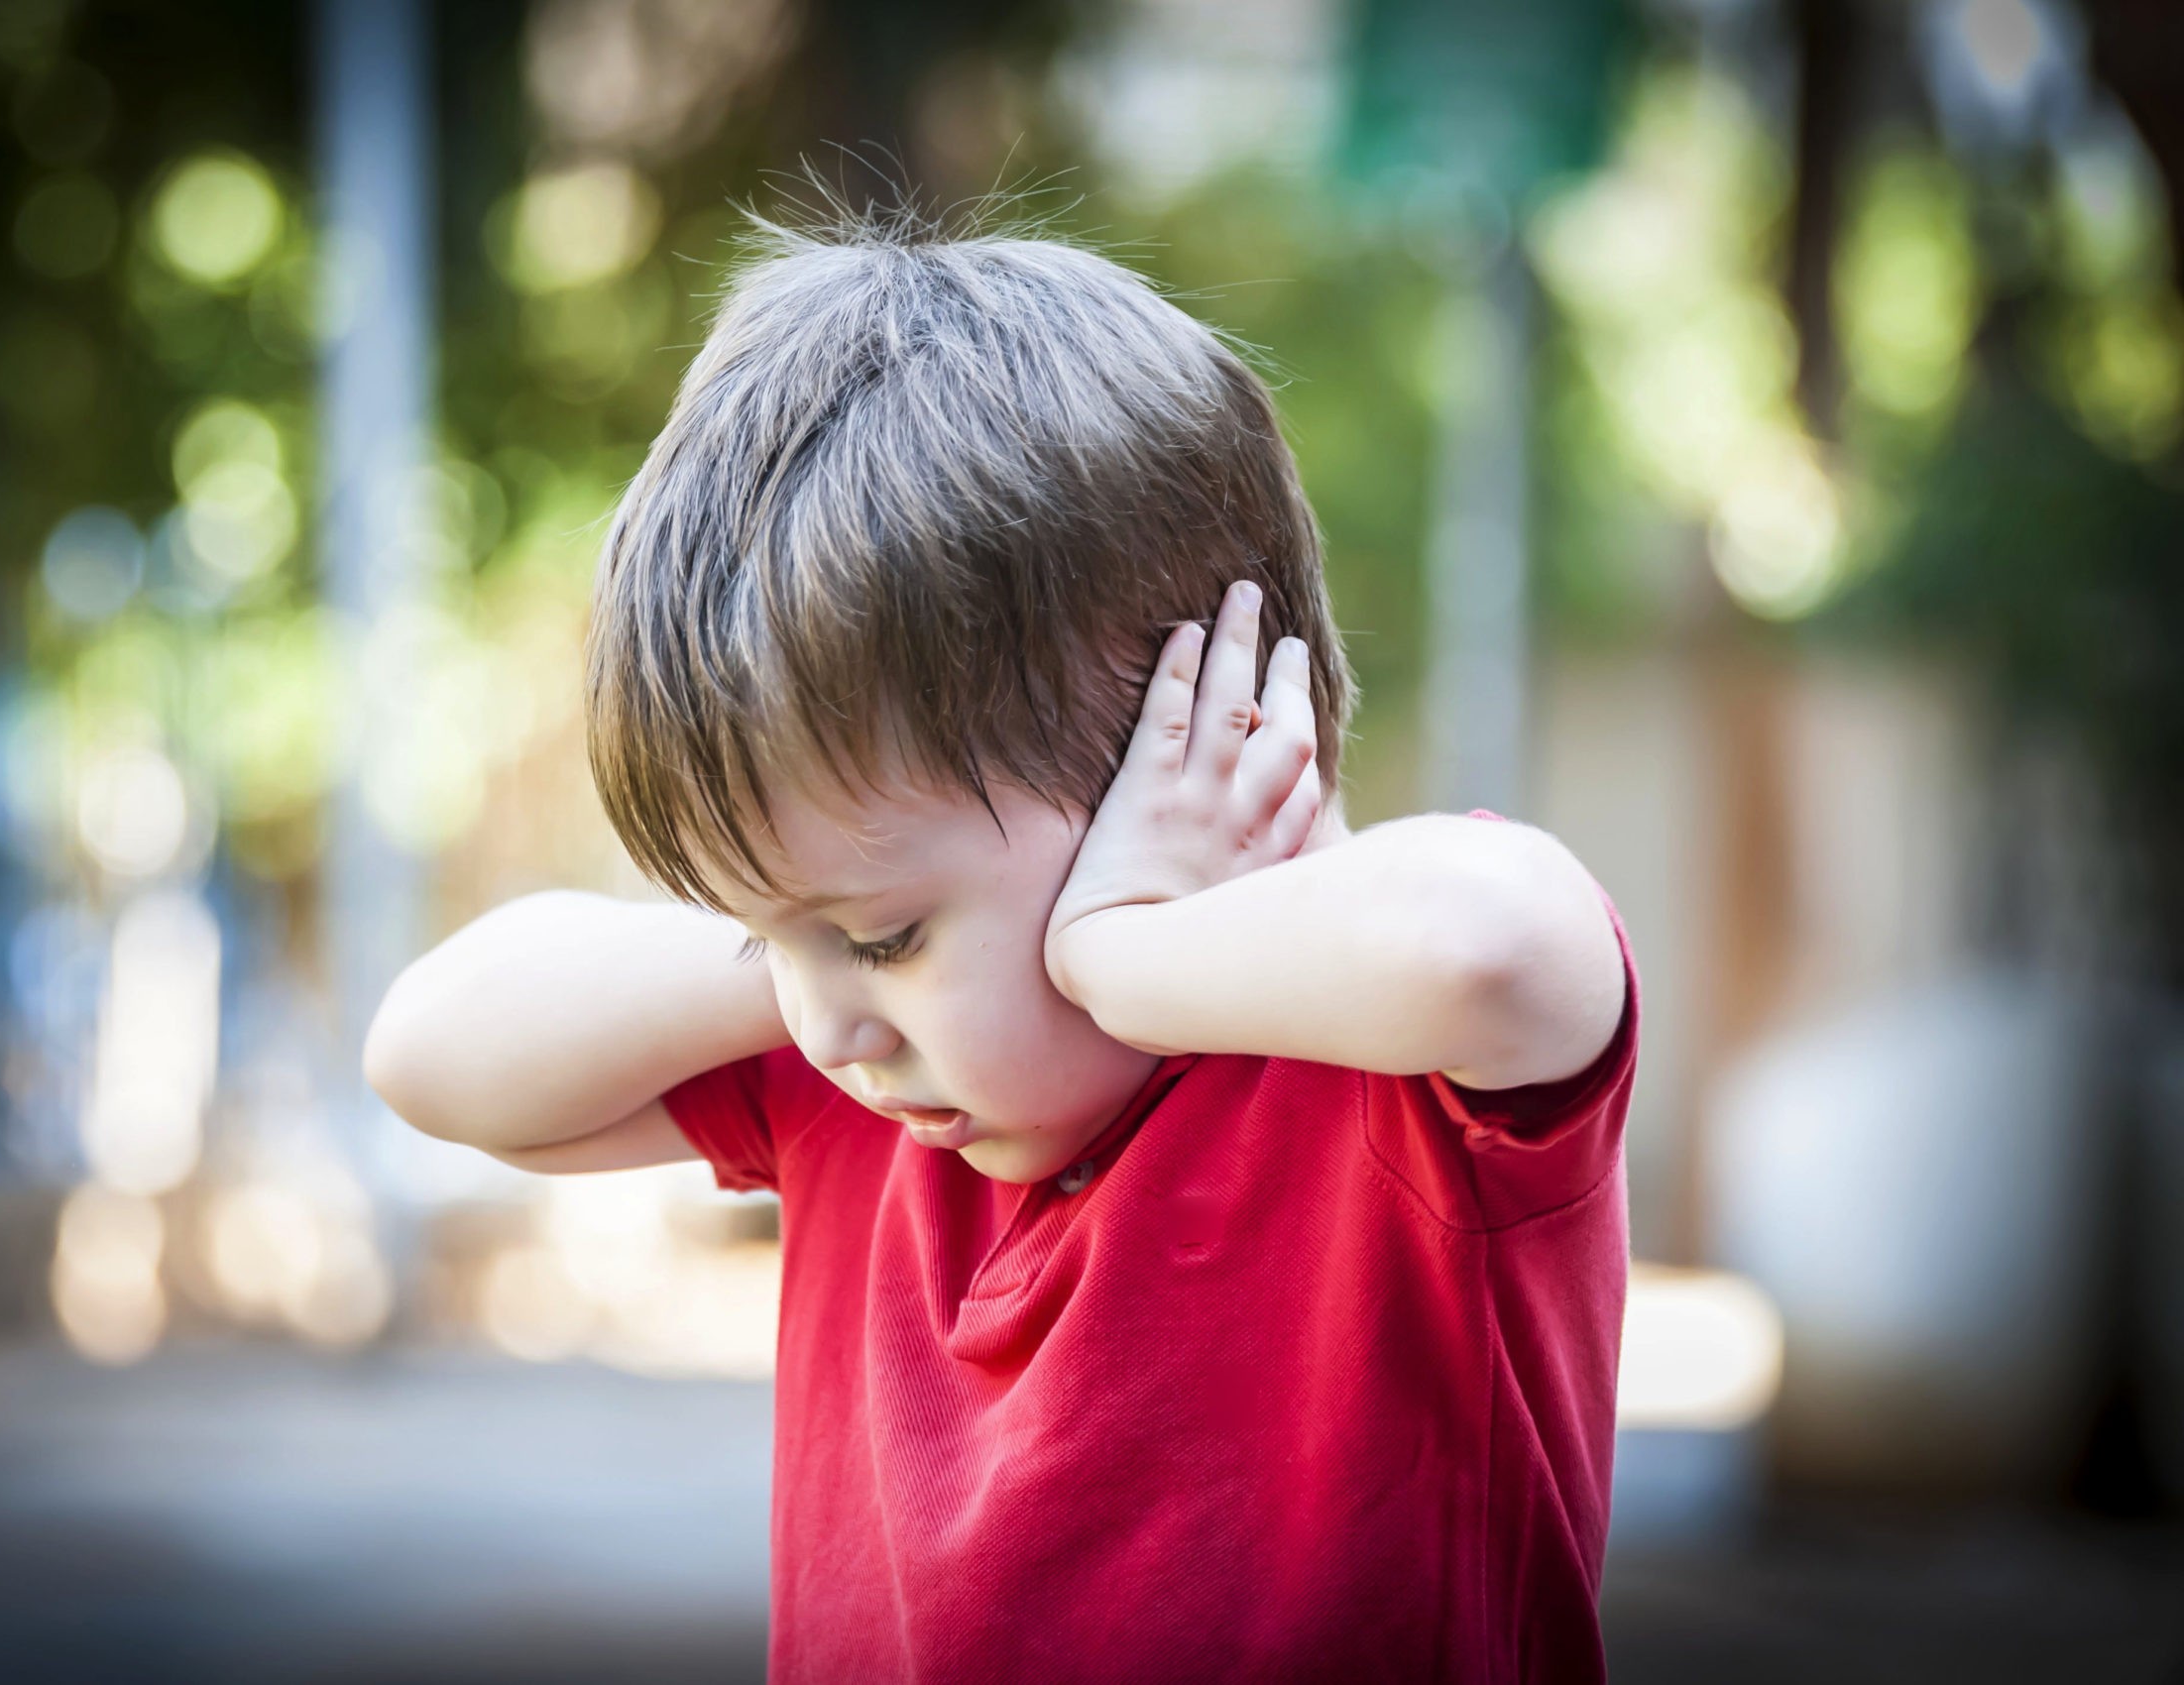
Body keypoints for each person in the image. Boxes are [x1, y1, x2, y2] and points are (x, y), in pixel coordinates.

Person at [363, 205, 1638, 1684]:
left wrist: (1124, 951)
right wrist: (813, 933)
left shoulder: (1396, 1093)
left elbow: (1501, 943)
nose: (834, 1019)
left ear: (1197, 745)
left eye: (891, 932)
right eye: (783, 936)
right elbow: (431, 1051)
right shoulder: (860, 1078)